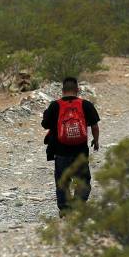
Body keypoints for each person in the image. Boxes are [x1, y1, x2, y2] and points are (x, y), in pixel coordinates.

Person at [42, 77, 100, 215]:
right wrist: (96, 140)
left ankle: (64, 209)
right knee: (83, 180)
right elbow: (95, 126)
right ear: (77, 90)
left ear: (62, 91)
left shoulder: (55, 105)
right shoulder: (86, 105)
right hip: (80, 151)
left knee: (62, 180)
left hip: (60, 151)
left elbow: (45, 125)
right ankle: (78, 205)